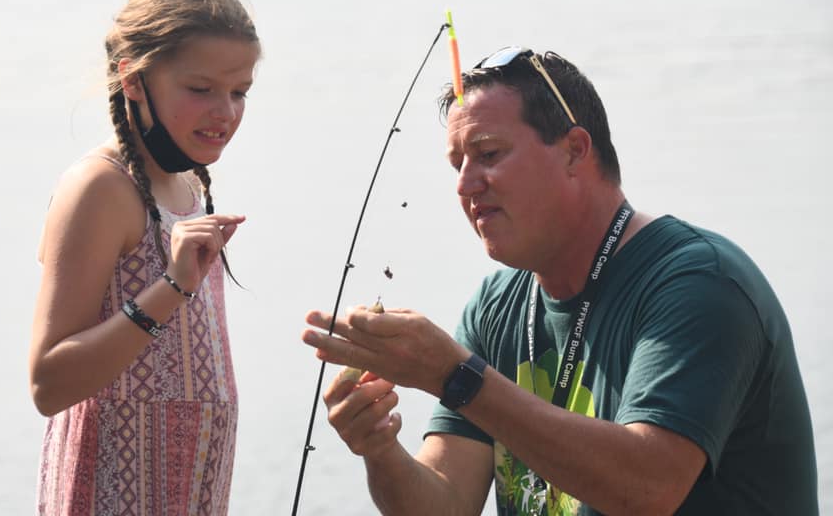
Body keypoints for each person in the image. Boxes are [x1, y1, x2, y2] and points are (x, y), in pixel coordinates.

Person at [302, 47, 817, 515]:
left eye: (488, 154)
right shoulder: (495, 306)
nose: (464, 184)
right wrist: (380, 450)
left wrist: (456, 377)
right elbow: (445, 504)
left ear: (574, 150)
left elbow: (646, 489)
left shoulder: (700, 282)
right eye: (457, 164)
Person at [29, 0, 261, 515]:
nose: (225, 112)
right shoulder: (101, 188)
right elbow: (49, 382)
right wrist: (172, 287)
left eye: (240, 92)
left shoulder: (187, 180)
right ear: (131, 78)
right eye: (200, 89)